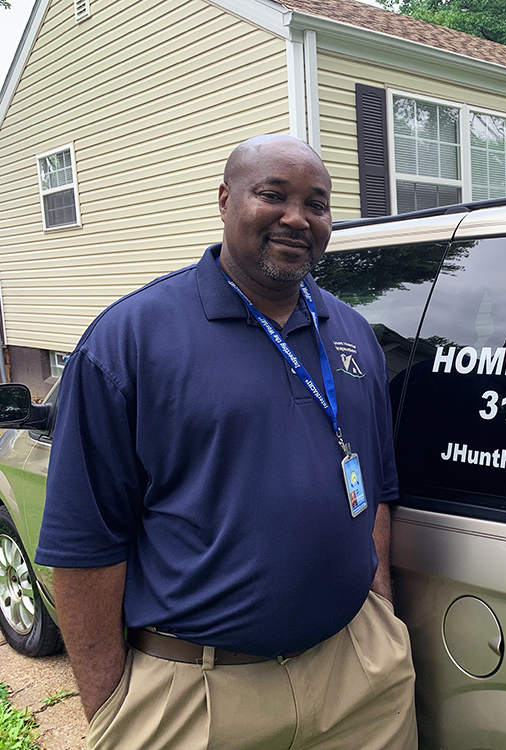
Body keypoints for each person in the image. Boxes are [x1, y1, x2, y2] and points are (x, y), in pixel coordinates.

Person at [34, 135, 417, 750]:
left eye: (316, 204)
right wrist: (110, 708)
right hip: (201, 695)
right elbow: (84, 544)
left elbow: (373, 489)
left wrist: (382, 621)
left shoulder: (352, 332)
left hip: (360, 682)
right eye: (274, 195)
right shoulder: (130, 341)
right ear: (224, 199)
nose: (297, 217)